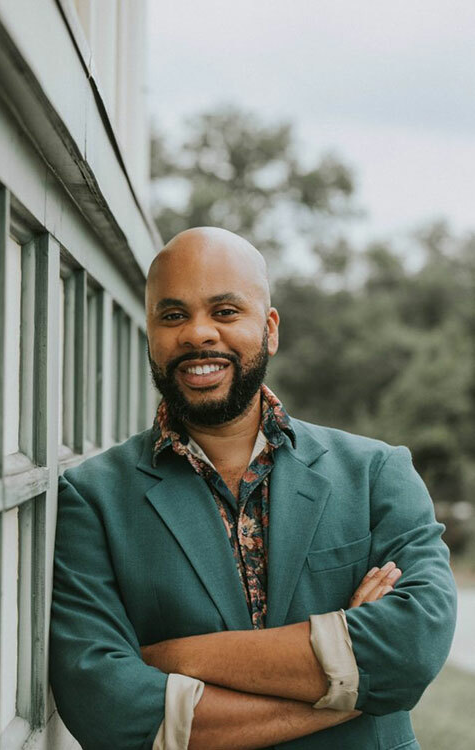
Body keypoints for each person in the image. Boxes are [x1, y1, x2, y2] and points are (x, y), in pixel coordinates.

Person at [50, 227, 457, 750]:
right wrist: (353, 687)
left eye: (224, 312)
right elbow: (107, 707)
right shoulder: (92, 498)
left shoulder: (377, 473)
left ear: (269, 329)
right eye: (173, 315)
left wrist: (170, 658)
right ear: (149, 331)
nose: (198, 334)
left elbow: (412, 650)